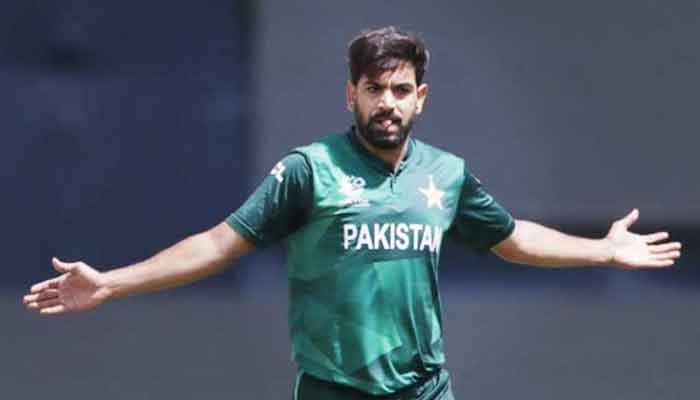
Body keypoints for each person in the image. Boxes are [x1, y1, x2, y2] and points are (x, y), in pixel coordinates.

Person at [23, 26, 682, 400]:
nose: (387, 103)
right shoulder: (308, 170)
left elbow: (511, 238)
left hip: (425, 391)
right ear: (351, 95)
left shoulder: (445, 174)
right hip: (334, 391)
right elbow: (219, 243)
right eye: (374, 89)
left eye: (400, 90)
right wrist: (113, 282)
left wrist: (602, 249)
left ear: (421, 98)